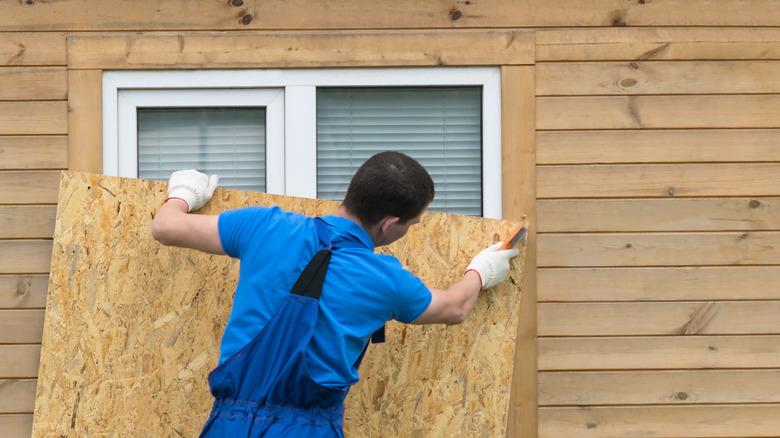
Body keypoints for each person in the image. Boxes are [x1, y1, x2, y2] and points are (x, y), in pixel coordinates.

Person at [151, 151, 519, 438]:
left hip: (229, 426)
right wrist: (481, 271)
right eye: (411, 224)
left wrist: (183, 194)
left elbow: (166, 226)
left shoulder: (264, 226)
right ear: (391, 224)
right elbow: (454, 307)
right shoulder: (386, 280)